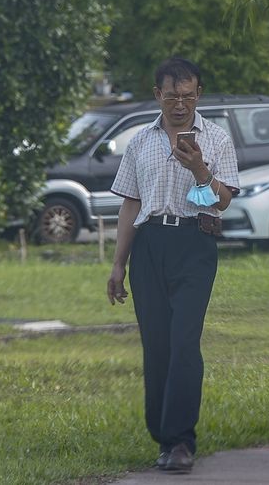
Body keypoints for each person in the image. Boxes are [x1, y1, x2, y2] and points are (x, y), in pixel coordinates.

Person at [106, 56, 240, 473]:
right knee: (158, 348)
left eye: (187, 95)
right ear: (157, 96)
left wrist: (200, 168)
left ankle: (181, 441)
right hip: (149, 246)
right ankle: (162, 437)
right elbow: (131, 204)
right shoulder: (140, 142)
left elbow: (221, 202)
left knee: (184, 342)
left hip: (194, 243)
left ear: (198, 94)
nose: (179, 104)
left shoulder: (216, 140)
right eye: (171, 96)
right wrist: (118, 265)